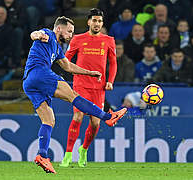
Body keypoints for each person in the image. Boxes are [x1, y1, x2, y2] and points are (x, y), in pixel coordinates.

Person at [22, 16, 127, 174]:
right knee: (73, 95)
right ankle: (107, 117)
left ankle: (42, 155)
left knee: (49, 120)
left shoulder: (57, 48)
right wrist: (36, 35)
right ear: (59, 29)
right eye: (69, 31)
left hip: (29, 83)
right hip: (40, 73)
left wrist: (89, 73)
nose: (71, 35)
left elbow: (67, 66)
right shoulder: (48, 34)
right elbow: (35, 34)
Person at [59, 8, 120, 168]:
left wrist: (110, 81)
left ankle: (84, 149)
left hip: (98, 88)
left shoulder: (109, 40)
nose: (97, 23)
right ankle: (68, 154)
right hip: (80, 85)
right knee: (77, 117)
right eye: (94, 20)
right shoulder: (78, 39)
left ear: (102, 23)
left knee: (95, 123)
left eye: (99, 21)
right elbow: (66, 59)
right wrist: (66, 71)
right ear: (88, 22)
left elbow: (113, 63)